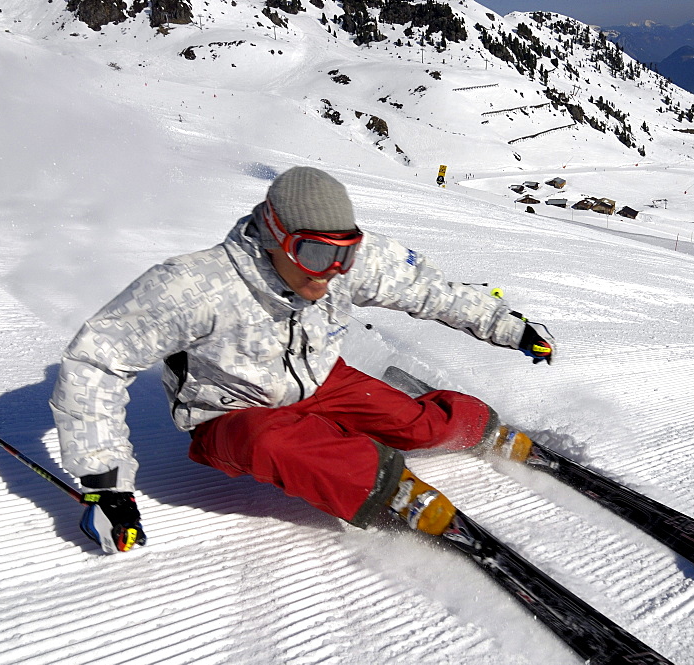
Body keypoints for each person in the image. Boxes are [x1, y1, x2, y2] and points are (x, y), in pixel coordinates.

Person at [50, 167, 555, 554]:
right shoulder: (194, 286)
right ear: (274, 236)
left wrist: (509, 327)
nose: (330, 274)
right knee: (274, 440)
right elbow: (98, 359)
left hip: (320, 379)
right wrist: (105, 484)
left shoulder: (335, 266)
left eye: (346, 255)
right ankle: (390, 489)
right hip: (231, 412)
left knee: (417, 425)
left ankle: (484, 428)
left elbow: (427, 290)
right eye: (314, 254)